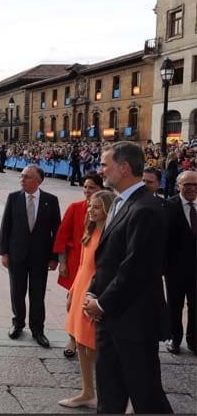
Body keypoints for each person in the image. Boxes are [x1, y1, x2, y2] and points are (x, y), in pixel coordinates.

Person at [83, 142, 172, 414]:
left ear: (124, 167)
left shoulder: (145, 207)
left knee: (146, 396)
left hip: (134, 321)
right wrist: (92, 292)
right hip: (111, 318)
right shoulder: (122, 202)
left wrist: (102, 302)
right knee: (110, 394)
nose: (101, 170)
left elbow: (136, 267)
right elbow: (108, 259)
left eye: (104, 164)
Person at [58, 190, 116, 410]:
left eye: (97, 207)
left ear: (107, 209)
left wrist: (98, 298)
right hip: (81, 289)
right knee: (81, 344)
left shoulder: (110, 234)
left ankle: (113, 395)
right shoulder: (89, 231)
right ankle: (87, 392)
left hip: (95, 293)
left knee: (95, 348)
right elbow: (82, 265)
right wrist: (72, 291)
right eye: (90, 206)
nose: (91, 210)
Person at [0, 164, 61, 348]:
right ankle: (18, 324)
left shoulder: (51, 200)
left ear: (38, 181)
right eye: (22, 176)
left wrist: (54, 257)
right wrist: (4, 253)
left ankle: (38, 329)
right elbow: (5, 227)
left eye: (26, 177)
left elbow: (56, 231)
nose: (22, 180)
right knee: (17, 292)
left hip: (40, 257)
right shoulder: (13, 198)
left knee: (37, 294)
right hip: (17, 254)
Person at [53, 171, 103, 358]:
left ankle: (89, 340)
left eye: (92, 187)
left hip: (97, 267)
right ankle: (72, 338)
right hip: (76, 264)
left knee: (92, 306)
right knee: (73, 302)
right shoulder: (75, 208)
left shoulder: (108, 211)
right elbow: (62, 236)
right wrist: (62, 262)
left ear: (101, 189)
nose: (87, 191)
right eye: (85, 187)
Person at [165, 170, 197, 355]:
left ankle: (194, 340)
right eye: (187, 185)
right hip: (175, 268)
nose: (192, 188)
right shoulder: (168, 206)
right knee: (174, 305)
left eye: (195, 184)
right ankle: (174, 339)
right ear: (179, 186)